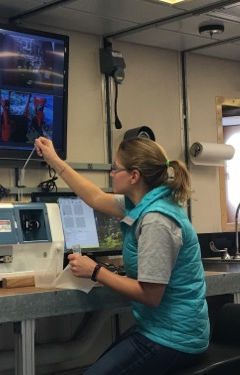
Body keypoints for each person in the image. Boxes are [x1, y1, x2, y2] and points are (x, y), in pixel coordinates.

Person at [34, 136, 210, 375]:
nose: (111, 174)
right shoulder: (138, 205)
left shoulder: (157, 221)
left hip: (175, 338)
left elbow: (150, 295)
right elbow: (94, 197)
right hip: (157, 329)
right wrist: (54, 159)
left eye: (115, 168)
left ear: (134, 176)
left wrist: (96, 271)